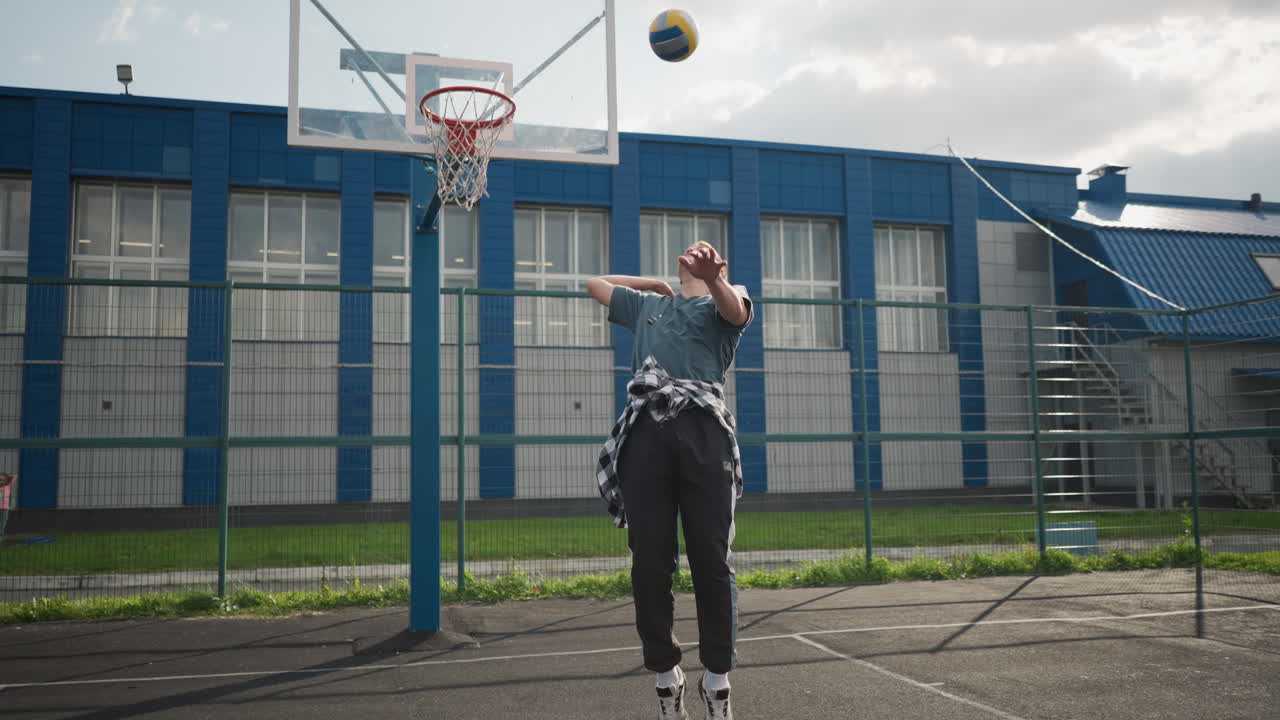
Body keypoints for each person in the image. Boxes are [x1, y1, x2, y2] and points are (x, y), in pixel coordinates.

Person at [588, 241, 751, 720]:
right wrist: (653, 284)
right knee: (650, 562)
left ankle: (717, 682)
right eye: (688, 253)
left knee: (711, 561)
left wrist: (716, 277)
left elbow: (737, 312)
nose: (691, 253)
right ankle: (667, 675)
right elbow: (595, 283)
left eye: (702, 255)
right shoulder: (649, 306)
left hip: (704, 432)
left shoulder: (726, 296)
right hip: (646, 433)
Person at [0, 473, 15, 547]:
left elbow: (15, 475)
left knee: (2, 524)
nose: (0, 482)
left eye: (2, 480)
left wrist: (7, 477)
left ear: (6, 481)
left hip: (4, 509)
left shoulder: (7, 487)